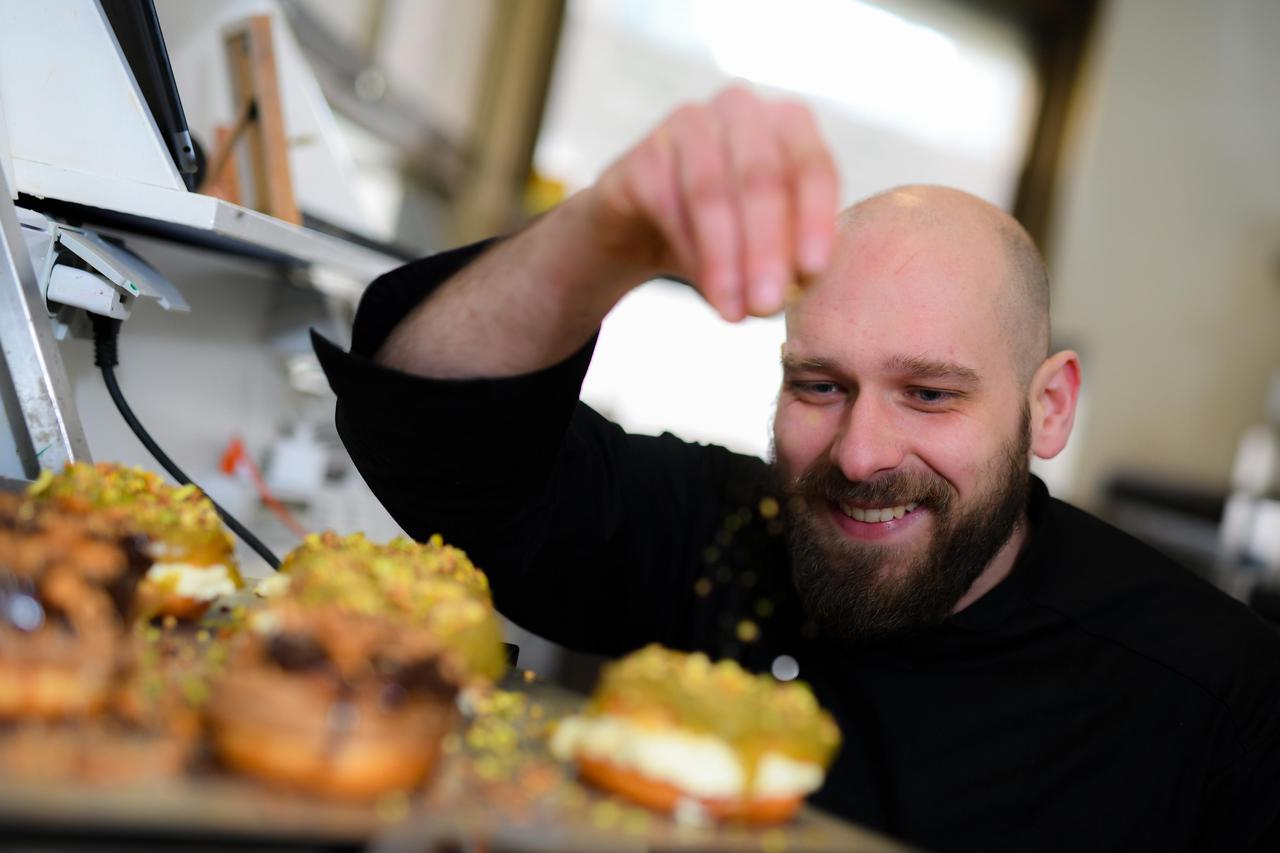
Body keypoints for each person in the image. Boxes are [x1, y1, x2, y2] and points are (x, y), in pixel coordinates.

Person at [313, 88, 1280, 851]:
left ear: (1049, 407)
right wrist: (607, 233)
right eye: (819, 385)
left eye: (931, 395)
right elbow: (428, 429)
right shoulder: (718, 533)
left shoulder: (1215, 689)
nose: (860, 455)